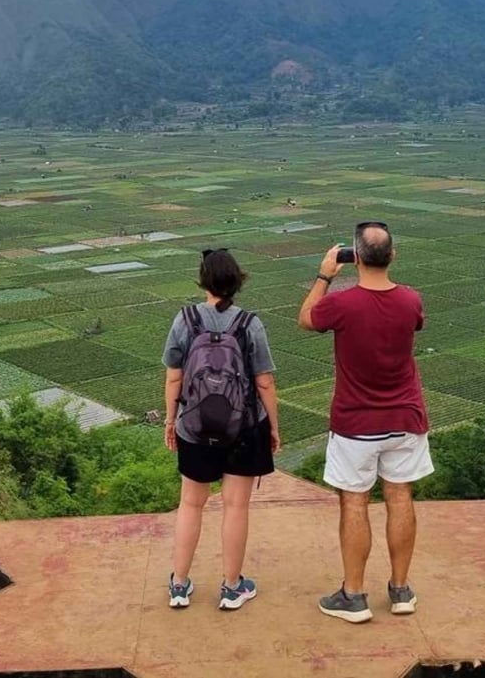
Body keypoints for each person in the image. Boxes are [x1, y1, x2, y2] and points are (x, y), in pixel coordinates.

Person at [298, 221, 430, 623]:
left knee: (355, 501)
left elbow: (306, 318)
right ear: (392, 256)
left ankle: (353, 596)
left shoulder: (342, 304)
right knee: (400, 496)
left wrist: (324, 274)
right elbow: (414, 323)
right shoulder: (411, 300)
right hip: (405, 417)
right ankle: (401, 590)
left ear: (354, 258)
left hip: (356, 422)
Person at [163, 248, 281, 611]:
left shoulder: (184, 320)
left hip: (194, 427)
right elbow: (264, 383)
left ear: (203, 280)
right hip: (243, 427)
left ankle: (180, 586)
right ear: (236, 281)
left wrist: (171, 421)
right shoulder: (250, 323)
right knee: (235, 506)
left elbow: (173, 377)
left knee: (190, 504)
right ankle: (232, 588)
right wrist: (272, 427)